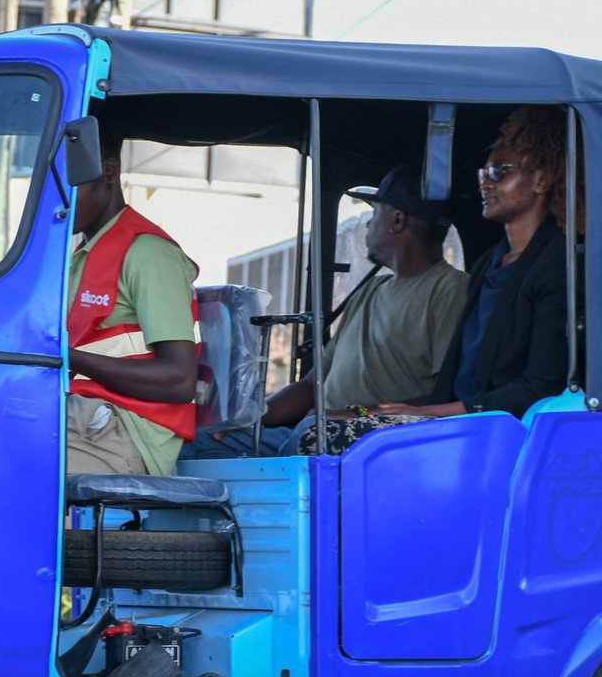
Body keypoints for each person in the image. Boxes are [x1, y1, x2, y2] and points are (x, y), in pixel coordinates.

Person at [188, 163, 467, 457]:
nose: (368, 227)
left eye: (374, 215)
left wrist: (361, 414)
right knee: (195, 443)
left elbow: (446, 395)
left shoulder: (450, 289)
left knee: (305, 437)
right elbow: (313, 384)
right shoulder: (371, 289)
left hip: (373, 443)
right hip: (313, 430)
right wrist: (249, 418)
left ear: (397, 221)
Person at [376, 105, 572, 422]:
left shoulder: (558, 266)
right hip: (462, 422)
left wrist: (428, 413)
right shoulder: (488, 264)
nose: (486, 184)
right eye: (483, 174)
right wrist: (418, 417)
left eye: (500, 172)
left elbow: (539, 388)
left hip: (506, 430)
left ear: (541, 179)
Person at [66, 129, 199, 476]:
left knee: (9, 472)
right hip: (83, 415)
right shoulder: (82, 254)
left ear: (109, 172)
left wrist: (65, 357)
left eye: (72, 184)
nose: (61, 200)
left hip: (124, 433)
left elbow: (179, 380)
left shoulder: (149, 255)